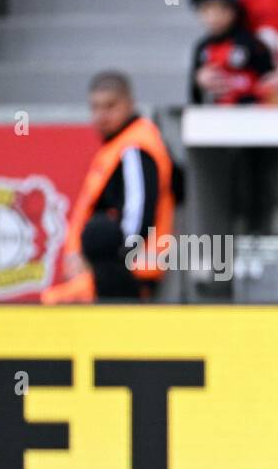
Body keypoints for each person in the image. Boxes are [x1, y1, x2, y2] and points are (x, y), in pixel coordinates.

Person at [40, 72, 176, 304]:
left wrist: (107, 264)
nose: (102, 115)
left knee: (53, 305)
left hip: (124, 275)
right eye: (95, 107)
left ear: (130, 104)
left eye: (110, 106)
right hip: (110, 273)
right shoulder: (119, 145)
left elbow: (137, 216)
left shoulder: (135, 147)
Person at [189, 0, 275, 105]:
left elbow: (270, 80)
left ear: (235, 10)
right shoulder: (202, 48)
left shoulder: (253, 45)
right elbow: (194, 95)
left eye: (222, 8)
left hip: (253, 115)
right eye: (207, 9)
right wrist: (199, 81)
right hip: (215, 115)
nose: (214, 16)